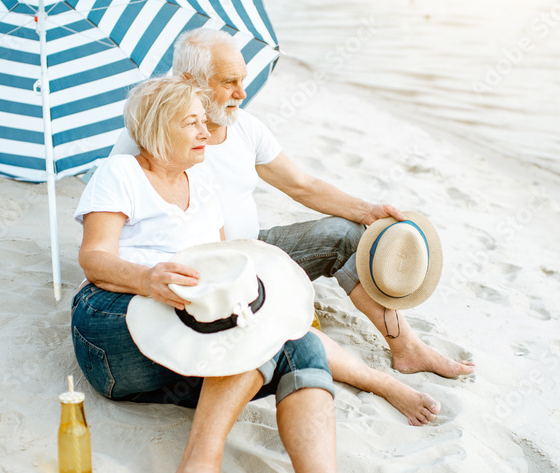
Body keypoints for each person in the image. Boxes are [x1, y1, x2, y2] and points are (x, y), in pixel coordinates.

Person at [71, 76, 397, 473]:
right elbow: (94, 260)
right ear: (159, 129)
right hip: (113, 324)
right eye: (192, 123)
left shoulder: (201, 181)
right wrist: (147, 278)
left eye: (205, 121)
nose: (206, 131)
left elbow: (225, 256)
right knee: (240, 329)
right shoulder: (121, 174)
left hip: (184, 331)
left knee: (294, 342)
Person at [110, 28, 475, 379]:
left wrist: (367, 211)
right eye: (228, 82)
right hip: (206, 274)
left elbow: (302, 185)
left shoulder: (245, 127)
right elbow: (118, 217)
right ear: (191, 81)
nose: (242, 91)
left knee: (348, 233)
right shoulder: (147, 137)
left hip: (257, 248)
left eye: (243, 78)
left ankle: (407, 347)